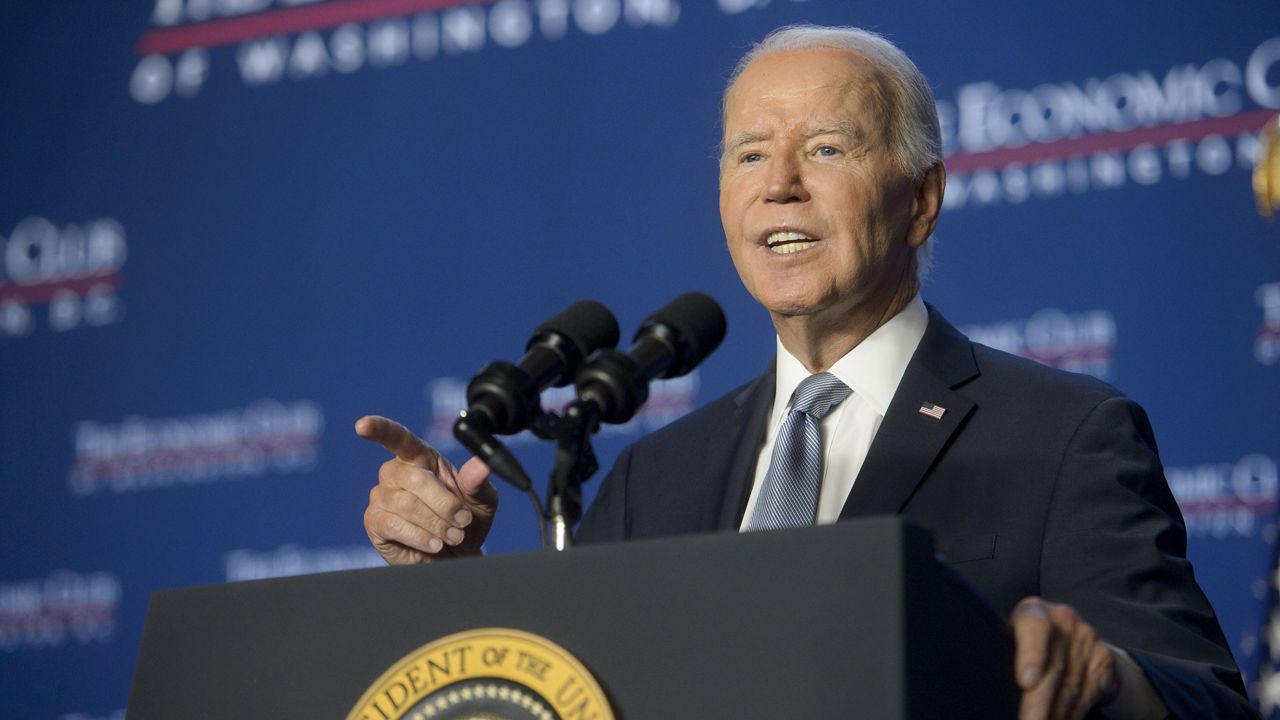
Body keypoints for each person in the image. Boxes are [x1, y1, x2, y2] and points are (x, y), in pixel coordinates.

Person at [356, 25, 1257, 720]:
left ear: (922, 200)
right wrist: (457, 579)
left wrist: (1106, 678)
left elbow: (1207, 698)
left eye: (826, 148)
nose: (779, 182)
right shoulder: (649, 481)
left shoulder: (1065, 435)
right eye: (750, 154)